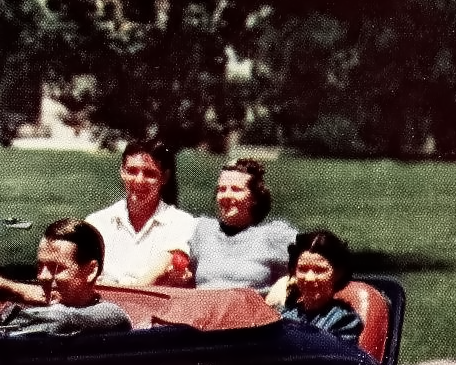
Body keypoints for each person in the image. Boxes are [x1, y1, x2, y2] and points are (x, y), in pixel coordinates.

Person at [0, 219, 131, 333]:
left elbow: (59, 320)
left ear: (90, 271)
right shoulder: (28, 308)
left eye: (56, 268)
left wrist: (17, 290)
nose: (43, 276)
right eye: (40, 266)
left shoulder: (111, 315)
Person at [85, 139, 195, 286]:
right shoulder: (96, 223)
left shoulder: (182, 222)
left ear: (165, 177)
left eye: (149, 173)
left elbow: (157, 272)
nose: (139, 180)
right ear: (122, 172)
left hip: (152, 307)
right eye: (132, 171)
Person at [187, 158, 296, 290]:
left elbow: (317, 260)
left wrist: (284, 282)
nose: (226, 195)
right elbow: (186, 276)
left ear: (254, 198)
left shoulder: (272, 235)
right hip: (206, 308)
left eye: (236, 189)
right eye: (222, 189)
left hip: (250, 309)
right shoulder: (203, 230)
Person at [277, 230, 363, 343]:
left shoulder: (344, 321)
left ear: (338, 273)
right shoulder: (283, 316)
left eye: (319, 270)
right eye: (302, 269)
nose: (309, 278)